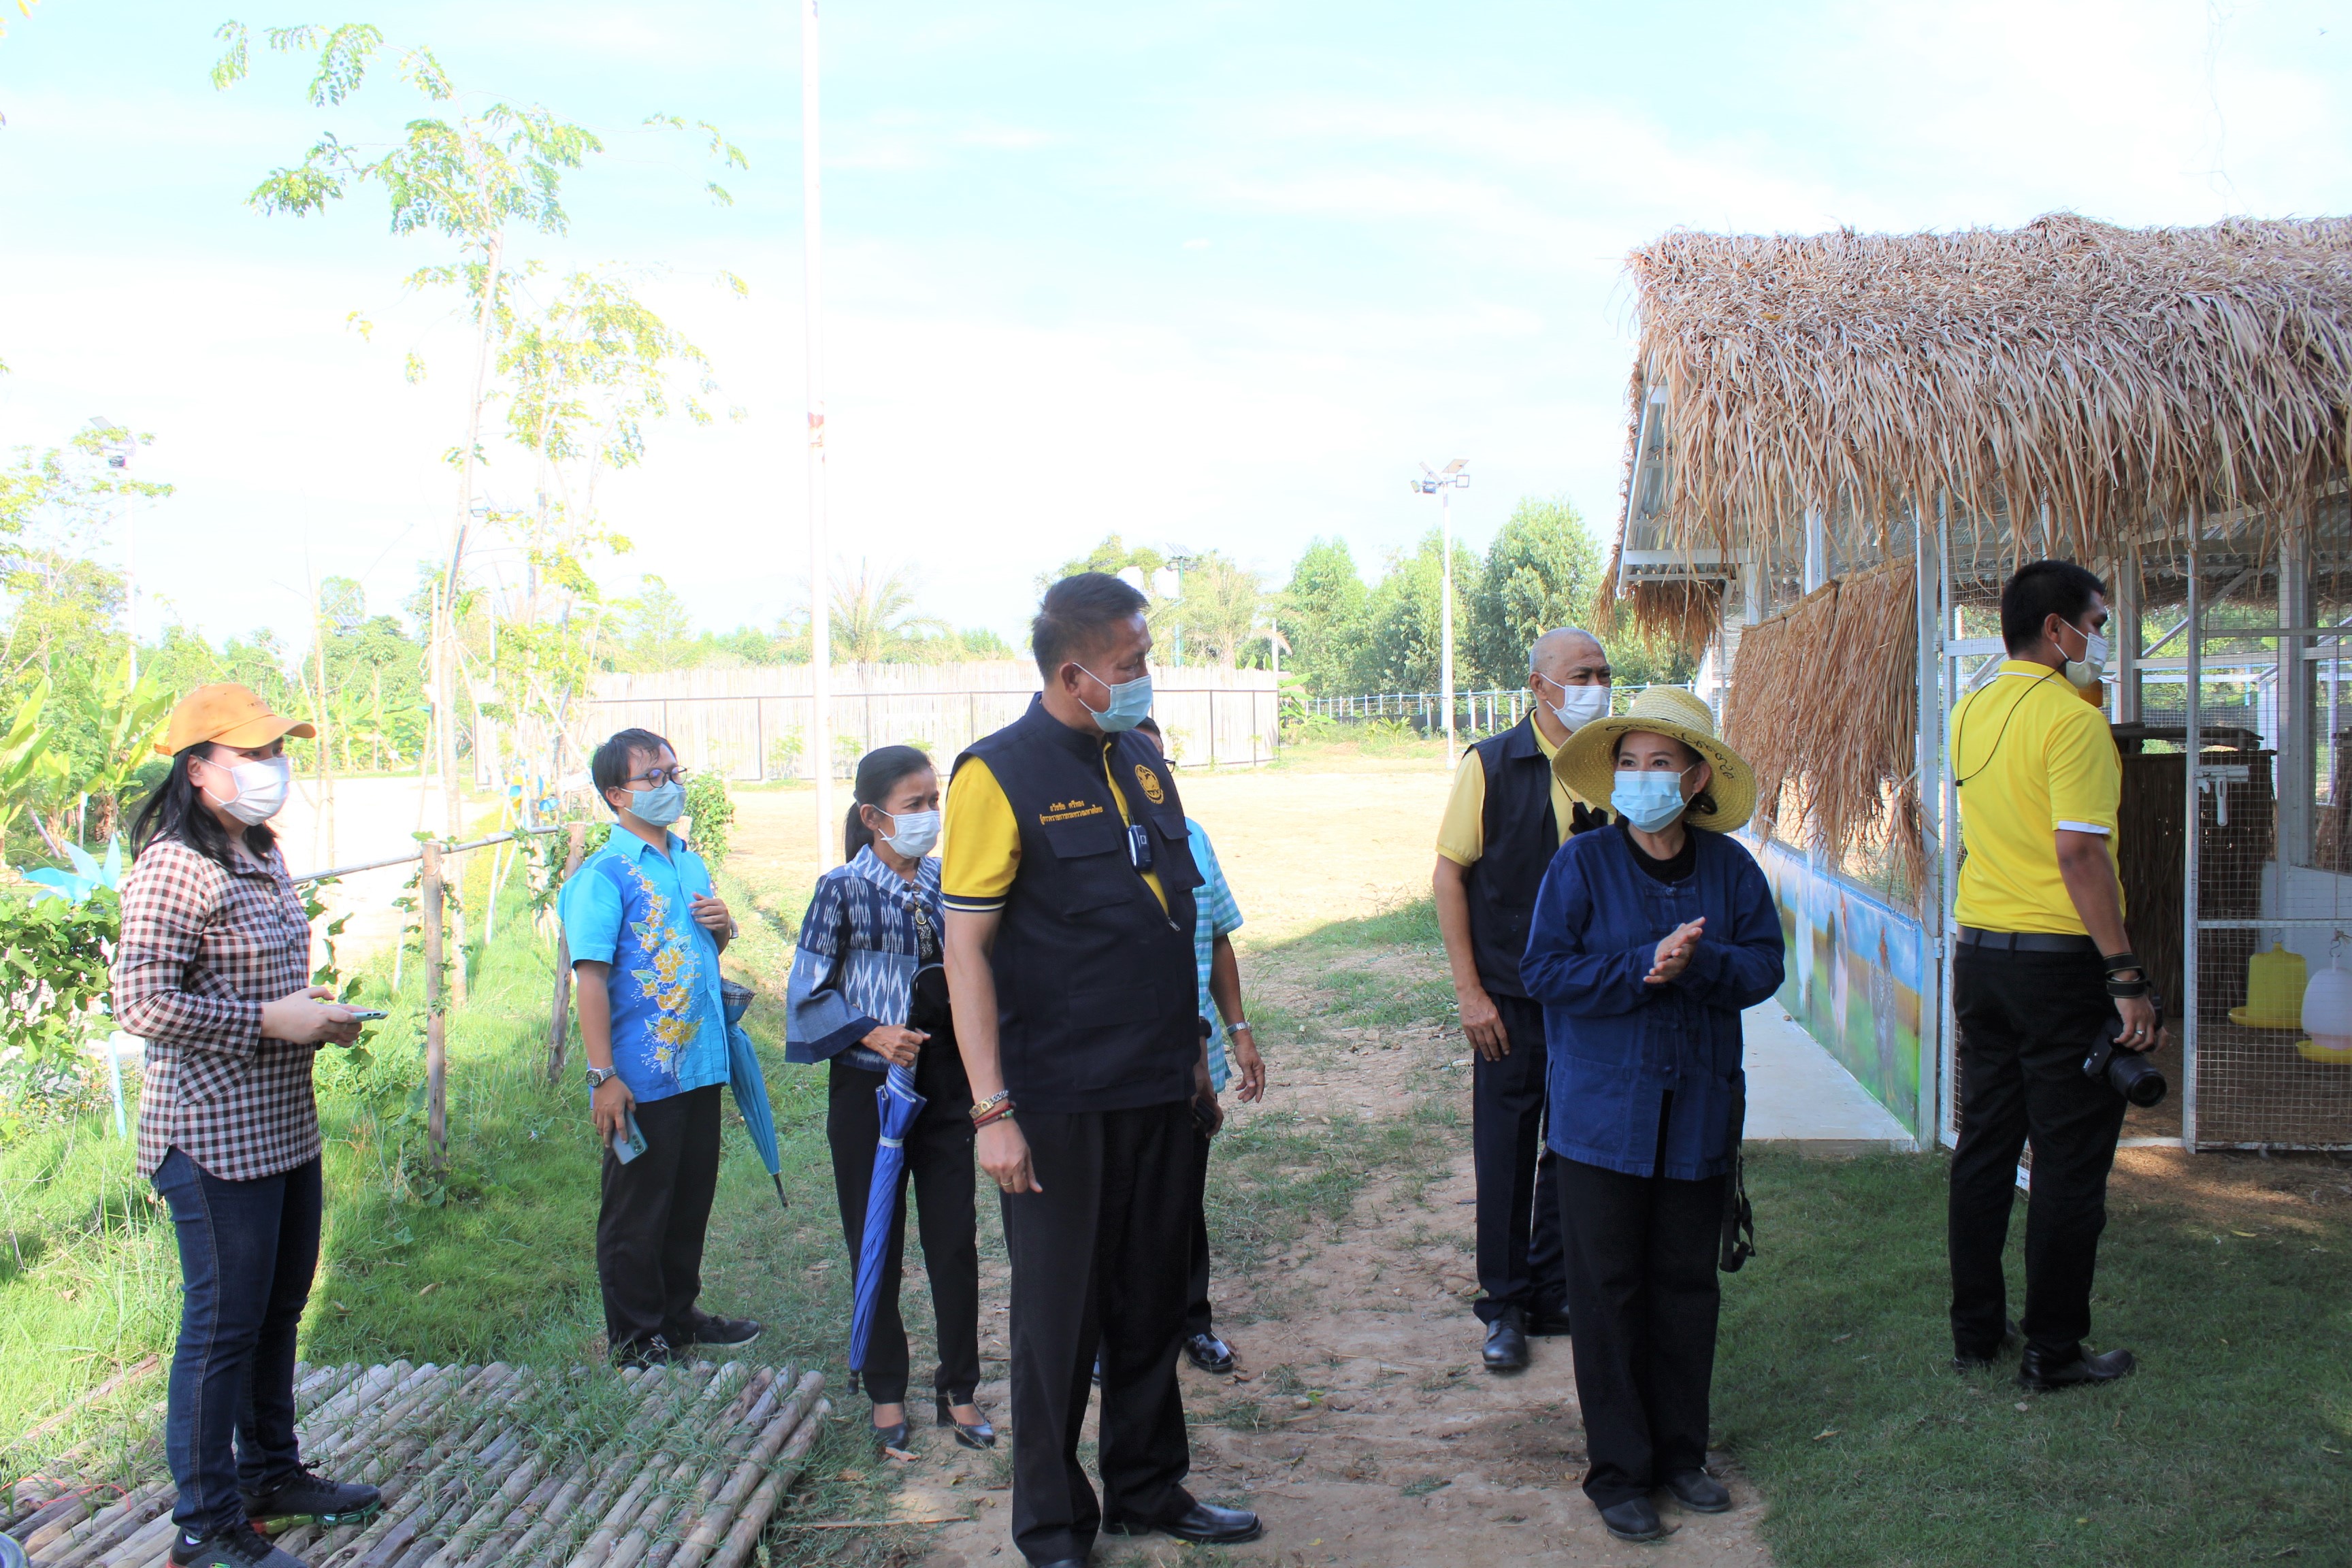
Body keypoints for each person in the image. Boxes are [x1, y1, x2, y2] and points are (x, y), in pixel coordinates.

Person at [943, 572, 1264, 1568]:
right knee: (1058, 1319)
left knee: (1150, 1299)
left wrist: (1196, 1061)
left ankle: (1146, 1485)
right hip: (1058, 1101)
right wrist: (992, 1108)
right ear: (1075, 673)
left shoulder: (1142, 763)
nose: (1145, 678)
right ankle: (1051, 1525)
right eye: (1131, 665)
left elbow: (1173, 920)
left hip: (1159, 1087)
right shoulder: (995, 775)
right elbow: (967, 954)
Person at [114, 683, 378, 1568]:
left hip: (281, 1125)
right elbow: (141, 1000)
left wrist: (312, 1012)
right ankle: (205, 1524)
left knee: (277, 1313)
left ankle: (272, 1474)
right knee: (223, 1325)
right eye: (252, 755)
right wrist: (268, 1023)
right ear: (198, 769)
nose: (272, 770)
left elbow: (254, 984)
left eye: (278, 753)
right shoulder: (171, 865)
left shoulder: (257, 853)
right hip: (211, 1137)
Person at [1522, 685, 1784, 1544]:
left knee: (1684, 1289)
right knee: (1608, 1293)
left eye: (1659, 764)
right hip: (1604, 1121)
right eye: (1628, 764)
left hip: (1699, 1113)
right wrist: (1643, 965)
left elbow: (1763, 970)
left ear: (1697, 776)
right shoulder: (1582, 866)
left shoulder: (1732, 869)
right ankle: (1619, 1472)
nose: (1641, 779)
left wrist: (1697, 967)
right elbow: (1547, 973)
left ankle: (1682, 1456)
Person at [1946, 559, 2159, 1390]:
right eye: (2096, 623)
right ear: (2056, 629)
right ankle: (2054, 1349)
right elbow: (2078, 854)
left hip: (1983, 956)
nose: (2099, 638)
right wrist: (2125, 974)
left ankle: (1975, 1332)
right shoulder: (2071, 724)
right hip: (2059, 965)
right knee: (2070, 1160)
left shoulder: (1970, 710)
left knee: (1987, 1145)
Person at [786, 744, 992, 1453]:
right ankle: (885, 1391)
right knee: (874, 1238)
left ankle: (960, 1390)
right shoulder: (839, 890)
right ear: (874, 817)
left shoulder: (951, 882)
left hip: (946, 1089)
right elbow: (805, 996)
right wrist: (872, 1032)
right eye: (916, 805)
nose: (931, 815)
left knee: (953, 1242)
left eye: (936, 801)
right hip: (868, 1095)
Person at [1432, 625, 1615, 1373]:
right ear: (1540, 686)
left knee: (1571, 1152)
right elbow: (1450, 876)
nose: (1597, 686)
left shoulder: (1610, 763)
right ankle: (1503, 1305)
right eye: (1582, 673)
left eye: (1604, 672)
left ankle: (1551, 1288)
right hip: (1508, 1000)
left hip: (1590, 999)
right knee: (1506, 1154)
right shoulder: (1492, 765)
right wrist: (1471, 992)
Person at [559, 728, 764, 1367]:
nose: (673, 786)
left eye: (676, 772)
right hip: (641, 1077)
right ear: (617, 795)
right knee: (637, 1209)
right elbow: (590, 979)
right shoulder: (603, 876)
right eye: (656, 778)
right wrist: (603, 1076)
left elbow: (701, 953)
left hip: (700, 1064)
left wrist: (724, 928)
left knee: (688, 1198)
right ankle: (635, 1336)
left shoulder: (689, 861)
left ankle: (679, 1316)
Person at [1134, 715, 1267, 1377]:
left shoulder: (1194, 841)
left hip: (1198, 1066)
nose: (1152, 780)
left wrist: (1239, 1031)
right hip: (1119, 1070)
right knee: (1120, 1209)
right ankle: (1120, 1337)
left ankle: (1192, 1321)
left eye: (1161, 768)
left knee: (1184, 1198)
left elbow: (1216, 939)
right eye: (1137, 767)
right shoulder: (1089, 855)